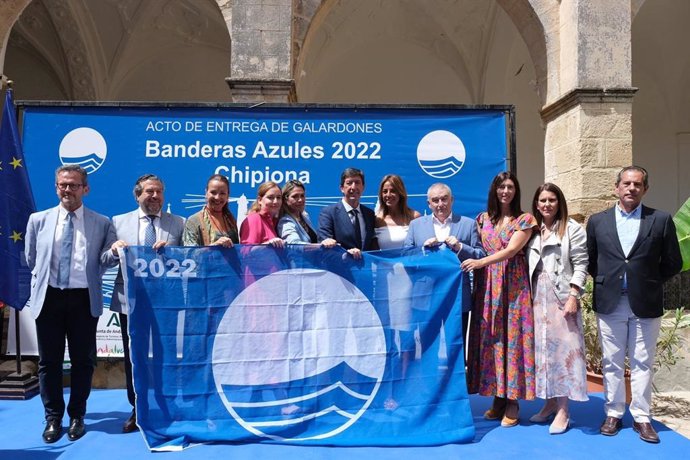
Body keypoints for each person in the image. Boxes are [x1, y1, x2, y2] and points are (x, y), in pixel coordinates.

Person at [586, 166, 681, 443]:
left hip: (645, 302)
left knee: (643, 362)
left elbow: (673, 261)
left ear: (645, 189)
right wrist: (610, 282)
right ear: (616, 187)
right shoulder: (597, 221)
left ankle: (641, 417)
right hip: (610, 302)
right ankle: (613, 413)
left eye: (637, 184)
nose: (631, 188)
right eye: (626, 183)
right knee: (611, 362)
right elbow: (592, 261)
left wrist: (648, 281)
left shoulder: (660, 220)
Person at [25, 165, 117, 443]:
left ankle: (77, 415)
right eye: (63, 184)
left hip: (83, 299)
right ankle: (53, 417)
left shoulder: (101, 223)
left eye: (74, 185)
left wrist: (114, 252)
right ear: (56, 187)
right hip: (50, 297)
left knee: (83, 361)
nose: (67, 189)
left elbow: (104, 262)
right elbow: (31, 259)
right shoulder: (37, 220)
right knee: (49, 362)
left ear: (85, 189)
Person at [108, 174, 185, 433]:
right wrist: (114, 250)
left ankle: (165, 405)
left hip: (166, 300)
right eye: (149, 192)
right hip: (130, 300)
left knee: (165, 355)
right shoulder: (118, 222)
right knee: (134, 356)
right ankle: (137, 408)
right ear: (137, 195)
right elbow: (103, 260)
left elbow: (189, 261)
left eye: (159, 192)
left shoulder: (178, 223)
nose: (155, 196)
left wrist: (172, 253)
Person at [462, 171, 537, 428]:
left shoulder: (525, 219)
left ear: (516, 191)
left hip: (513, 287)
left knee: (513, 339)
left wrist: (481, 262)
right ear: (494, 190)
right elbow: (473, 247)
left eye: (510, 187)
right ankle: (498, 396)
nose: (506, 191)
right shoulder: (482, 219)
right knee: (492, 340)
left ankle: (513, 400)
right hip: (487, 288)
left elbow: (512, 250)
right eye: (501, 187)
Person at [526, 183, 588, 435]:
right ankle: (550, 402)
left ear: (559, 202)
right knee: (543, 352)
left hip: (562, 297)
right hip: (537, 298)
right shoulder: (532, 230)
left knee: (565, 351)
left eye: (552, 200)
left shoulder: (573, 229)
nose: (547, 204)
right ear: (537, 204)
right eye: (542, 200)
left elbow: (582, 263)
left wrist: (574, 295)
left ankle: (564, 410)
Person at [404, 182, 484, 341]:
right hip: (426, 296)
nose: (440, 204)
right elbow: (406, 257)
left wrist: (460, 247)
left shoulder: (467, 224)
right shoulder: (416, 225)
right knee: (427, 344)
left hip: (457, 295)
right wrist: (423, 250)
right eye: (435, 200)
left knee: (456, 344)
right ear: (429, 203)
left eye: (444, 199)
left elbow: (481, 256)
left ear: (452, 200)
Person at [318, 167, 377, 258]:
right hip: (340, 270)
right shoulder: (328, 213)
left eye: (357, 183)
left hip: (366, 270)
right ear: (342, 188)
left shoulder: (369, 214)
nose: (353, 187)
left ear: (363, 187)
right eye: (349, 183)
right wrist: (346, 254)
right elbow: (325, 244)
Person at [182, 174, 238, 247]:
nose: (217, 197)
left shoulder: (231, 220)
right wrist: (213, 247)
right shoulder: (193, 221)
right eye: (213, 192)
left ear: (228, 195)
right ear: (206, 193)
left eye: (222, 193)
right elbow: (189, 253)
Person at [277, 179, 329, 246]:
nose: (300, 200)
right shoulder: (285, 221)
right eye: (295, 196)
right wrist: (320, 246)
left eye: (302, 195)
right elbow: (294, 244)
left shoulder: (305, 215)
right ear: (285, 199)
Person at [240, 181, 285, 247]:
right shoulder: (254, 219)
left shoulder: (276, 221)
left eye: (278, 197)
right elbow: (245, 251)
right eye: (270, 197)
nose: (275, 201)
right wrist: (267, 245)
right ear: (259, 200)